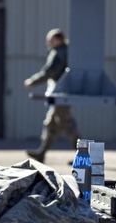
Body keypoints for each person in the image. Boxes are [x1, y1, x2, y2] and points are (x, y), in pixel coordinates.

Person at [24, 28, 81, 163]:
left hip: (60, 94)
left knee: (68, 125)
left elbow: (49, 72)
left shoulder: (60, 53)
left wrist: (33, 81)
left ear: (59, 39)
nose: (49, 43)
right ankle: (42, 153)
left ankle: (83, 156)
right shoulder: (65, 51)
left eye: (51, 40)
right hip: (60, 93)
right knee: (51, 124)